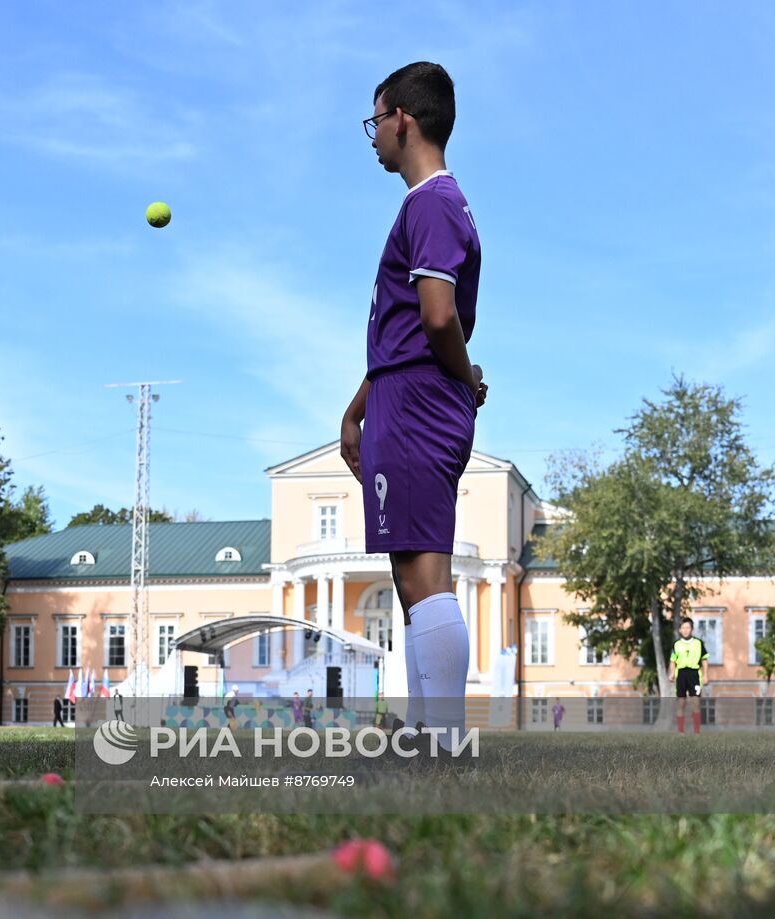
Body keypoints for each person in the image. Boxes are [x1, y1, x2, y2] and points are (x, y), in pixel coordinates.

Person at [340, 63, 486, 754]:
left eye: (376, 122)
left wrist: (464, 376)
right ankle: (430, 736)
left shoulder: (431, 201)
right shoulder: (432, 205)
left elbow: (436, 318)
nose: (372, 138)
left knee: (426, 573)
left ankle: (446, 742)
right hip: (407, 393)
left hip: (422, 400)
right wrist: (358, 409)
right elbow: (406, 330)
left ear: (404, 118)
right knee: (410, 571)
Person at [669, 617, 709, 735]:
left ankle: (697, 732)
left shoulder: (698, 643)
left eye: (688, 627)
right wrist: (672, 673)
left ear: (692, 629)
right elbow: (673, 661)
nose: (685, 630)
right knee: (681, 703)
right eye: (683, 628)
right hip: (681, 674)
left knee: (695, 702)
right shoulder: (676, 645)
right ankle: (681, 731)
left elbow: (704, 660)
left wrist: (706, 675)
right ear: (680, 630)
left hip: (694, 674)